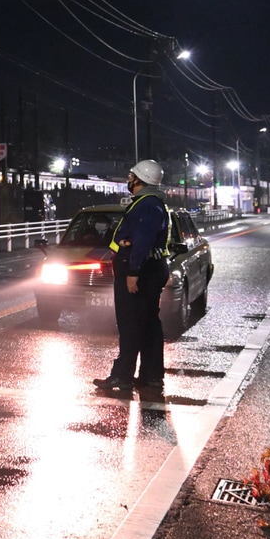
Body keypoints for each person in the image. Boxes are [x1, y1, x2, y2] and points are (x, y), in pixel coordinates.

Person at [93, 159, 171, 395]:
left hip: (140, 270)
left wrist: (133, 272)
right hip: (151, 269)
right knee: (148, 324)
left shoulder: (146, 205)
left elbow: (143, 240)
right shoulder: (152, 204)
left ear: (141, 179)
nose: (128, 179)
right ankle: (151, 375)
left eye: (132, 176)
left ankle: (122, 376)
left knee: (130, 325)